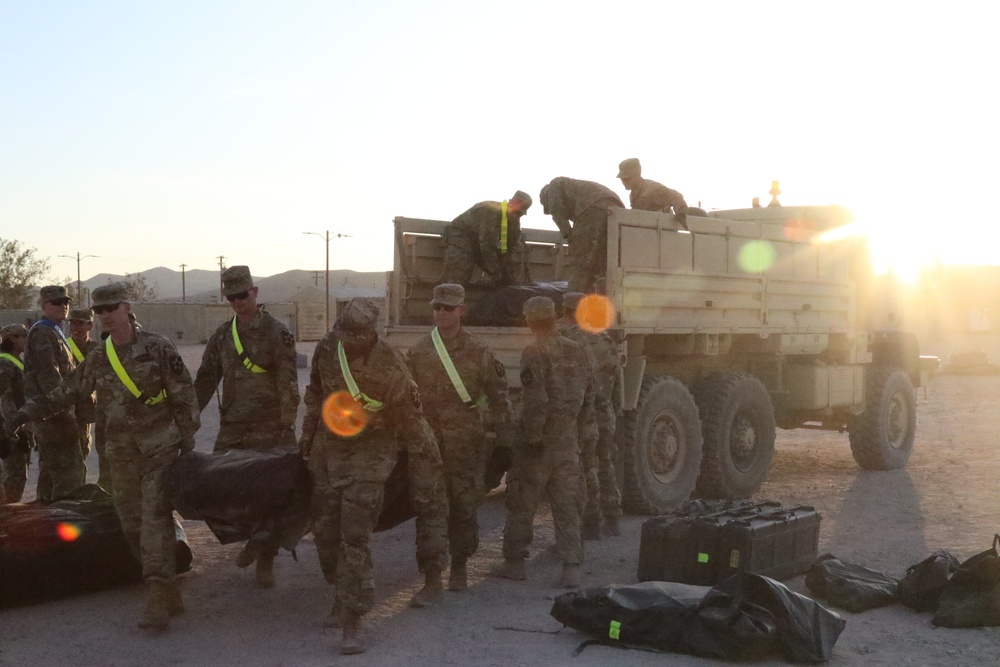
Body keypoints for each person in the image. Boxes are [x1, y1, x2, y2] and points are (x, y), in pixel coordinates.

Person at [6, 283, 201, 629]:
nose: (105, 315)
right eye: (99, 311)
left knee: (154, 518)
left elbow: (184, 396)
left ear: (127, 307)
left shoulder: (157, 347)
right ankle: (167, 586)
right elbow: (65, 392)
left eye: (112, 308)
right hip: (121, 454)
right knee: (130, 522)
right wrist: (23, 414)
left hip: (159, 448)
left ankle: (156, 594)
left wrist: (187, 445)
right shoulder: (99, 356)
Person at [299, 297, 442, 655]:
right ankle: (339, 590)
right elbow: (316, 392)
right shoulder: (329, 347)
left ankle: (353, 620)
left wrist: (429, 463)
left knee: (354, 538)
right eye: (342, 333)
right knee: (325, 532)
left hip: (369, 458)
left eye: (354, 336)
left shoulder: (392, 365)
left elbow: (411, 420)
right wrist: (306, 437)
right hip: (328, 455)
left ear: (370, 333)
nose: (346, 341)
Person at [193, 265, 300, 588]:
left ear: (255, 292)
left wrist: (287, 424)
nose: (238, 302)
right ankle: (250, 535)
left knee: (274, 496)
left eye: (243, 295)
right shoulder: (224, 335)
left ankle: (264, 556)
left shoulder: (275, 332)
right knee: (218, 488)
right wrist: (189, 418)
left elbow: (288, 382)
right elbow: (206, 380)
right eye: (232, 297)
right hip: (234, 429)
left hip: (270, 429)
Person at [406, 284, 514, 593]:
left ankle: (460, 565)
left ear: (461, 311)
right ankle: (430, 577)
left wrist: (504, 443)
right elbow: (406, 399)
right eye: (437, 307)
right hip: (429, 447)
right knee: (429, 510)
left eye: (448, 308)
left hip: (466, 447)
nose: (441, 312)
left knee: (464, 508)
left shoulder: (479, 352)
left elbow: (499, 398)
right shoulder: (419, 351)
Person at [492, 296, 595, 588]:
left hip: (538, 443)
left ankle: (514, 563)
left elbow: (536, 401)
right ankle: (571, 567)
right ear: (557, 316)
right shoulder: (579, 351)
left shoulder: (534, 352)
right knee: (567, 504)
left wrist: (533, 438)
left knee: (522, 502)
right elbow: (589, 398)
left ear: (528, 321)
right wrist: (580, 432)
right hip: (567, 440)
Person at [558, 292, 623, 539]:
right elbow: (617, 385)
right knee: (606, 465)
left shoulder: (569, 341)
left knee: (586, 470)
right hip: (605, 413)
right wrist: (612, 410)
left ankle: (591, 525)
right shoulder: (606, 340)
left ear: (566, 311)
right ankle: (613, 519)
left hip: (583, 415)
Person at [22, 285, 84, 501]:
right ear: (43, 306)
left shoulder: (54, 331)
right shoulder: (42, 332)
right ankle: (63, 523)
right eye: (56, 303)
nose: (63, 306)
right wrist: (66, 410)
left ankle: (45, 522)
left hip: (56, 413)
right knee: (70, 475)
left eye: (66, 302)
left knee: (51, 473)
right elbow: (49, 379)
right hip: (54, 415)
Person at [538, 177, 624, 294]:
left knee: (580, 262)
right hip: (617, 210)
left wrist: (570, 237)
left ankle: (574, 302)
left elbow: (556, 210)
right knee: (605, 262)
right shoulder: (574, 187)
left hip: (592, 208)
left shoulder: (552, 187)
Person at [443, 190, 532, 286]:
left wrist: (506, 273)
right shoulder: (491, 210)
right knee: (459, 276)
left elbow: (509, 248)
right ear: (511, 203)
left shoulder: (514, 222)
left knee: (502, 278)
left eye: (519, 213)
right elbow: (487, 243)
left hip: (480, 244)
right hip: (461, 237)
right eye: (516, 211)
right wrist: (496, 272)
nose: (517, 215)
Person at [67, 308, 102, 476]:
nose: (74, 327)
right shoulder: (64, 347)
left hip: (87, 410)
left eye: (79, 324)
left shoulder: (98, 349)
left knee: (84, 448)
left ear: (90, 325)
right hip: (67, 409)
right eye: (71, 323)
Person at [0, 324, 31, 503]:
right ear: (12, 338)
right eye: (24, 336)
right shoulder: (4, 363)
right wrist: (6, 433)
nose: (28, 340)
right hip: (10, 430)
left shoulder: (16, 360)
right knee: (14, 477)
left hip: (19, 427)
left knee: (19, 475)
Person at [617, 158, 688, 223]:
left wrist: (681, 213)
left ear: (637, 174)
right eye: (622, 179)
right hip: (647, 229)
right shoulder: (633, 194)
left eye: (627, 179)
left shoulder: (652, 188)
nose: (624, 182)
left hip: (662, 230)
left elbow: (676, 197)